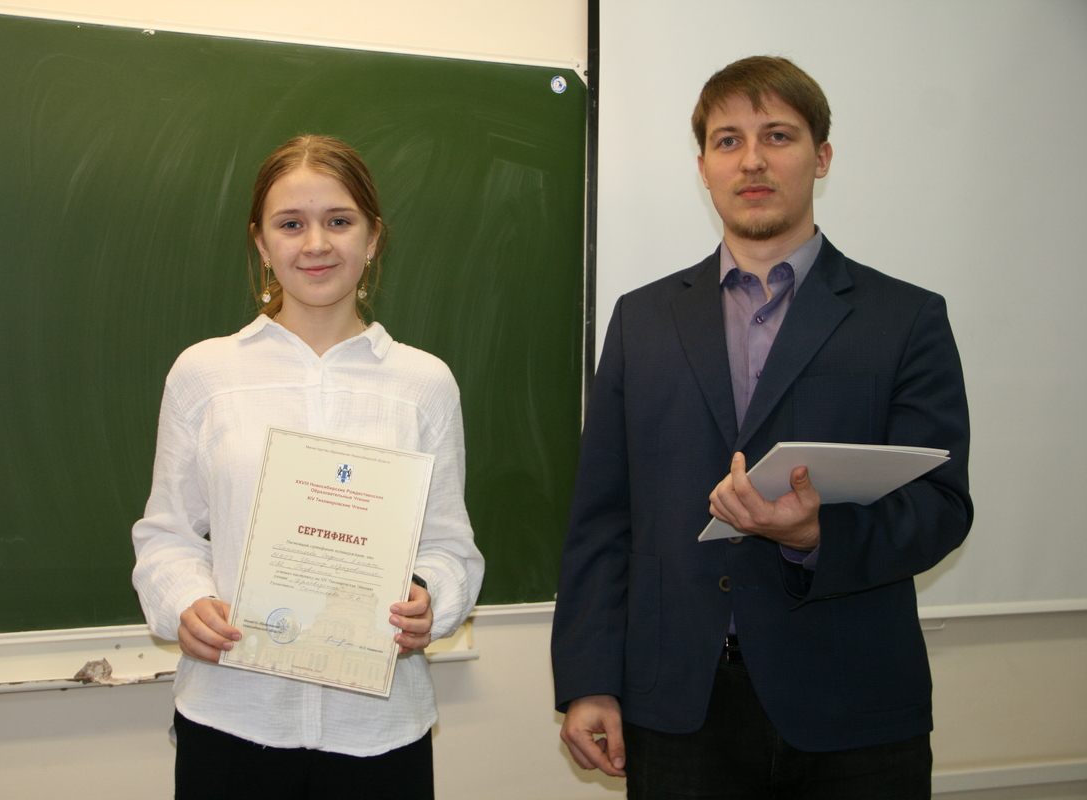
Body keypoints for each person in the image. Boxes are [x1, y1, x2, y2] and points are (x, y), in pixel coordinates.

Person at [552, 56, 971, 799]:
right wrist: (589, 679)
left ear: (821, 157)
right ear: (704, 168)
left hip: (855, 709)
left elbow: (940, 508)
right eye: (728, 140)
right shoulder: (642, 319)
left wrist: (815, 535)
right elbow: (601, 519)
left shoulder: (906, 318)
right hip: (677, 707)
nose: (751, 160)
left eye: (777, 135)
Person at [132, 134, 484, 799]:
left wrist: (431, 600)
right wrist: (185, 602)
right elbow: (166, 535)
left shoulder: (423, 384)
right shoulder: (205, 374)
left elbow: (449, 547)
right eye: (290, 224)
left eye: (339, 221)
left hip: (379, 732)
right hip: (231, 721)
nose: (315, 243)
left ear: (373, 238)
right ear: (261, 244)